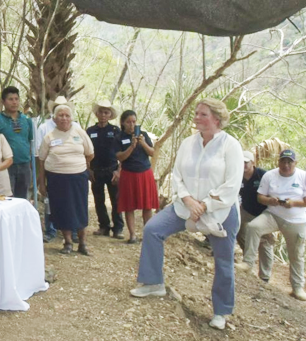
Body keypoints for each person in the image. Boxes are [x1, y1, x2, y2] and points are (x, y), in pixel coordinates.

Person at [131, 99, 243, 330]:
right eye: (196, 113)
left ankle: (221, 312)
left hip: (219, 212)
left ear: (216, 119)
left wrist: (204, 205)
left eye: (202, 114)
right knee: (153, 230)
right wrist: (189, 200)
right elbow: (178, 175)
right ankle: (153, 283)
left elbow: (232, 185)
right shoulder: (187, 143)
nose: (196, 118)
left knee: (223, 261)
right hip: (185, 207)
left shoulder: (230, 145)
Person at [237, 150, 306, 301]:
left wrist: (293, 203)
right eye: (283, 161)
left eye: (289, 162)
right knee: (253, 227)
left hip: (296, 219)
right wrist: (270, 201)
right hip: (273, 214)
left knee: (296, 254)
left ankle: (297, 287)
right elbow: (260, 197)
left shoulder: (302, 176)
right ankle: (248, 263)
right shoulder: (269, 175)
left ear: (295, 163)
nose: (286, 165)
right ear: (278, 162)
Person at [37, 104, 94, 255]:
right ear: (54, 119)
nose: (64, 118)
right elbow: (41, 161)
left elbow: (90, 154)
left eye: (67, 115)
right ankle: (68, 242)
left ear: (71, 118)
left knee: (80, 209)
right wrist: (42, 183)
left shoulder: (80, 133)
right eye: (60, 115)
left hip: (78, 177)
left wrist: (78, 164)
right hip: (56, 179)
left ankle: (82, 243)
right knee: (62, 209)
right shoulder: (49, 137)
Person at [114, 110, 159, 244]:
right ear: (123, 123)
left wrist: (143, 143)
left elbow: (152, 153)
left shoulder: (143, 135)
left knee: (147, 205)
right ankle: (133, 235)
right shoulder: (119, 137)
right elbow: (119, 157)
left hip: (145, 173)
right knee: (129, 206)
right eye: (128, 122)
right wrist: (132, 146)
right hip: (128, 174)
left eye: (134, 122)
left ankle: (148, 234)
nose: (132, 125)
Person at [234, 151, 274, 282]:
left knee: (265, 243)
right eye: (241, 162)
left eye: (246, 162)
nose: (243, 165)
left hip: (263, 213)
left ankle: (265, 276)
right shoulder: (237, 174)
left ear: (253, 163)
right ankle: (248, 260)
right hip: (245, 210)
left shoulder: (263, 175)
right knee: (237, 229)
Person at [87, 100, 124, 238]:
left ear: (110, 115)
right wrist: (88, 169)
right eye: (101, 112)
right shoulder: (90, 131)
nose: (103, 115)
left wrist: (119, 170)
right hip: (95, 170)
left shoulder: (116, 131)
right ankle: (103, 226)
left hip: (112, 170)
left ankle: (118, 228)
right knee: (98, 200)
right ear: (96, 114)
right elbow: (85, 151)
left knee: (116, 200)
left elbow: (122, 152)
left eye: (106, 112)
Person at [0, 86, 34, 199]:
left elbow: (30, 141)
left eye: (16, 99)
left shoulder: (26, 120)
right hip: (6, 166)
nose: (14, 102)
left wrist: (31, 161)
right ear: (3, 102)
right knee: (8, 198)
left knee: (22, 198)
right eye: (10, 99)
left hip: (25, 165)